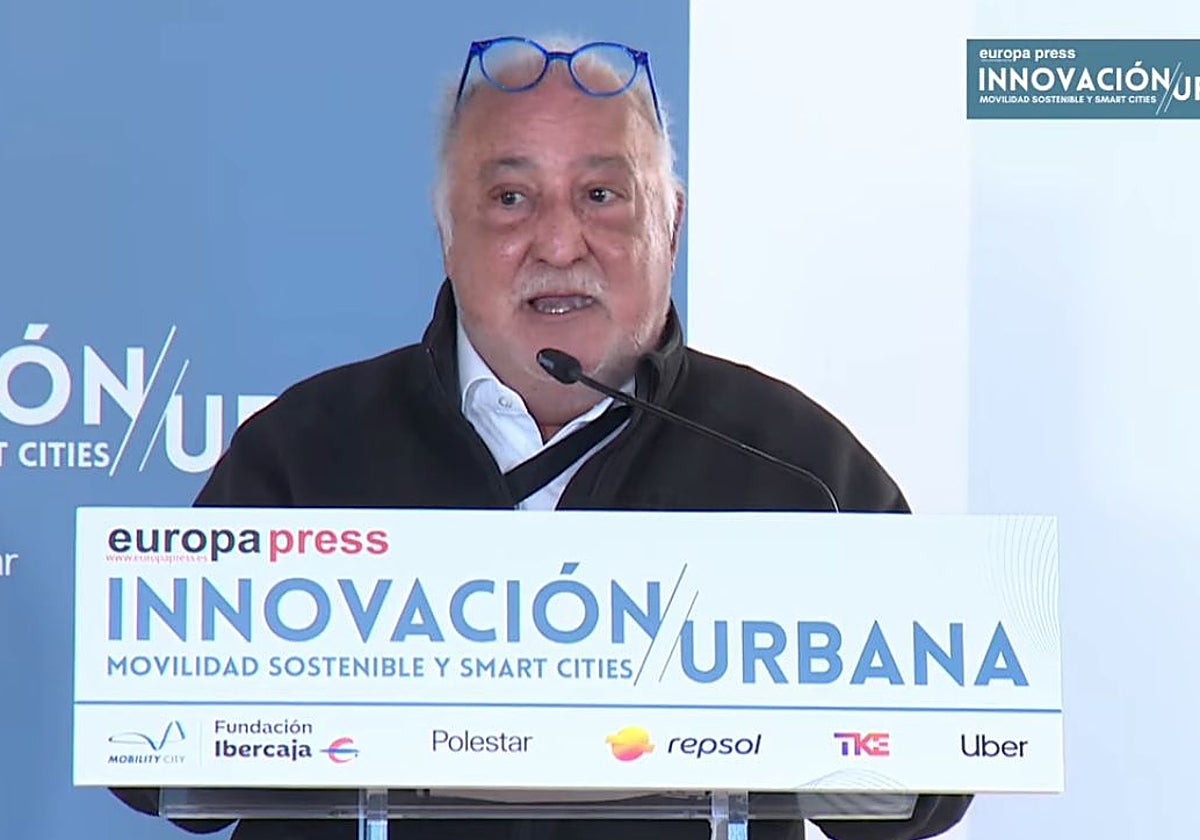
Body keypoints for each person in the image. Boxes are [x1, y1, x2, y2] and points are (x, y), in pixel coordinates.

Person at [114, 35, 971, 840]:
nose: (560, 244)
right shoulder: (306, 450)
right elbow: (156, 764)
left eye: (601, 195)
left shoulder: (791, 464)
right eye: (510, 199)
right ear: (447, 233)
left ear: (671, 224)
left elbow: (920, 793)